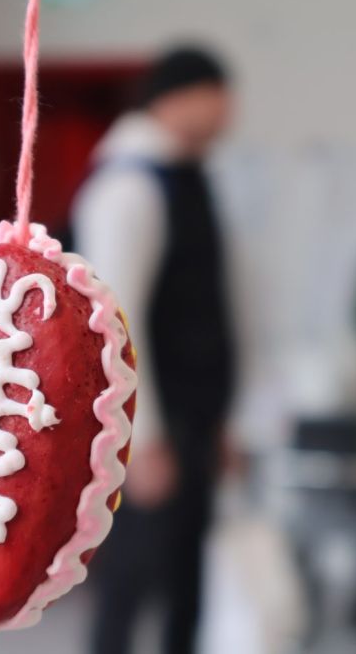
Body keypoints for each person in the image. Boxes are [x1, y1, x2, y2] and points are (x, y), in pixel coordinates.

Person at [71, 45, 235, 654]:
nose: (229, 113)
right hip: (150, 433)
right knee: (130, 584)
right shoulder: (129, 185)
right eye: (220, 96)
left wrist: (223, 419)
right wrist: (139, 439)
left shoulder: (188, 178)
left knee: (185, 585)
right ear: (179, 98)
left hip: (194, 423)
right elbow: (119, 322)